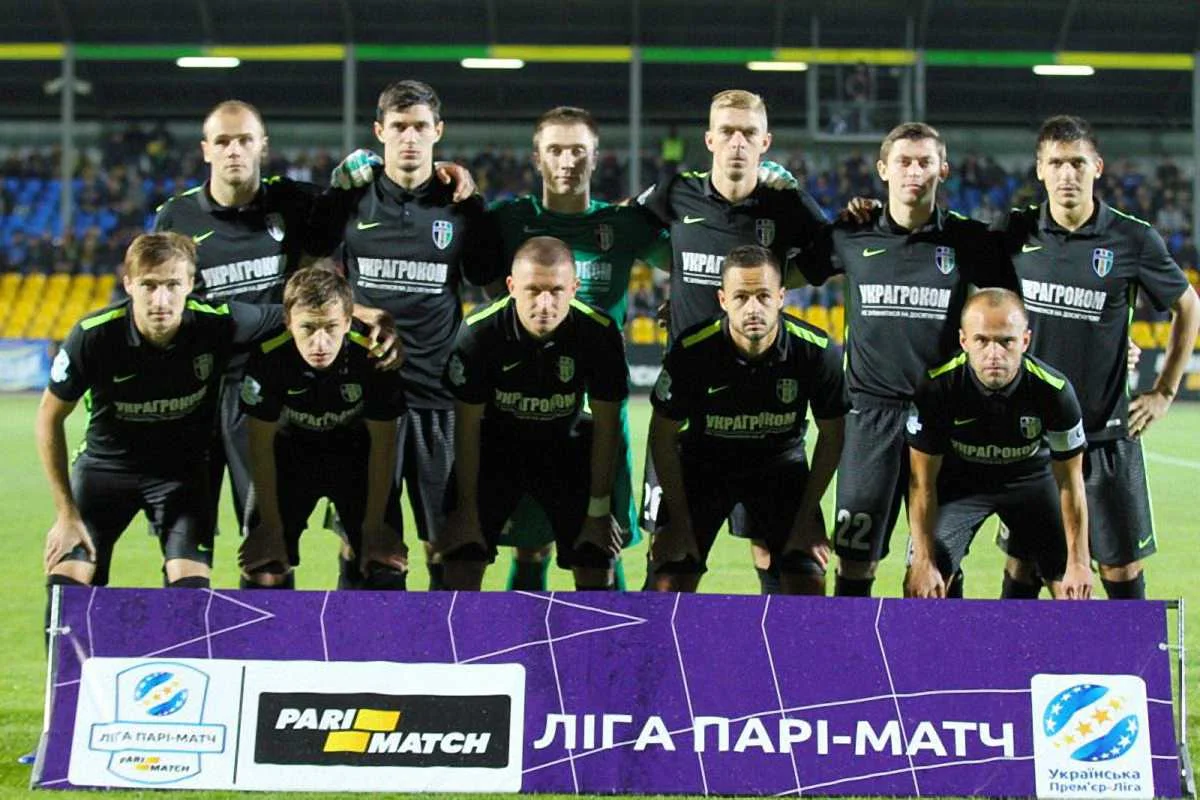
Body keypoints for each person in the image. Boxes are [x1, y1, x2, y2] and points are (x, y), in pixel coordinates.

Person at [153, 100, 405, 551]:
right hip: (209, 393)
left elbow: (363, 198)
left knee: (290, 540)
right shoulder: (176, 217)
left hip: (283, 387)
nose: (234, 150)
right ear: (206, 150)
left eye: (244, 140)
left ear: (262, 146)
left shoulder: (291, 200)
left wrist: (440, 171)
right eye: (223, 141)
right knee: (208, 541)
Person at [799, 122, 1017, 597]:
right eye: (903, 162)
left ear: (943, 169)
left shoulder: (969, 240)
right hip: (869, 419)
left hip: (943, 418)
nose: (914, 172)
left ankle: (936, 649)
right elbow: (782, 274)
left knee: (939, 563)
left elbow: (1024, 301)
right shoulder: (851, 233)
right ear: (883, 169)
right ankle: (854, 647)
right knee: (855, 562)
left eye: (924, 162)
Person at [994, 115, 1200, 599]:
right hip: (1032, 438)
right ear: (1040, 169)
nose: (1067, 174)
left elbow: (1188, 306)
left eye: (1077, 163)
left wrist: (1164, 391)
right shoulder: (1014, 233)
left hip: (1106, 437)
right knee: (1024, 566)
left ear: (1098, 168)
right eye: (1056, 164)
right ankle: (1013, 655)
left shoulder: (1132, 239)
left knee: (1120, 570)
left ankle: (1131, 654)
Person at [635, 89, 832, 594]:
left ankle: (775, 643)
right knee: (669, 558)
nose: (737, 143)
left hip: (764, 412)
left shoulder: (785, 204)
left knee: (774, 550)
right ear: (709, 140)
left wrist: (778, 275)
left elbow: (833, 252)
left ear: (765, 142)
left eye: (748, 133)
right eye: (727, 132)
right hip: (689, 413)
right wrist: (679, 278)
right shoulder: (677, 192)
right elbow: (623, 228)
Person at [309, 80, 495, 591]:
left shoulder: (462, 205)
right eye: (398, 127)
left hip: (438, 399)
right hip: (362, 397)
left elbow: (491, 288)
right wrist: (358, 312)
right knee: (366, 546)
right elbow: (308, 278)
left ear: (438, 131)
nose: (409, 138)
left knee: (452, 552)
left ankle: (446, 645)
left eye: (419, 127)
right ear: (379, 132)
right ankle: (356, 641)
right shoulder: (349, 198)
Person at [38, 232, 282, 596]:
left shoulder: (218, 322)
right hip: (105, 470)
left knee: (189, 593)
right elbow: (48, 417)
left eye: (172, 285)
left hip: (181, 477)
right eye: (149, 286)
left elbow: (299, 313)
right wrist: (66, 515)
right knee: (67, 588)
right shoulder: (94, 336)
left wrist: (362, 316)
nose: (161, 300)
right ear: (128, 284)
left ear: (190, 285)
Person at [486, 106, 669, 591]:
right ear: (537, 158)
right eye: (555, 150)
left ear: (596, 157)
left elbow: (694, 260)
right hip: (527, 412)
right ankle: (526, 639)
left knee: (602, 547)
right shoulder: (509, 220)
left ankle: (612, 641)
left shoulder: (621, 224)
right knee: (530, 547)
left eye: (578, 151)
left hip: (599, 411)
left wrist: (686, 303)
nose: (567, 161)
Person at [648, 245, 847, 593]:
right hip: (704, 465)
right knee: (668, 578)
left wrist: (807, 517)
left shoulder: (816, 351)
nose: (753, 308)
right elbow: (662, 434)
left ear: (781, 297)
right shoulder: (692, 351)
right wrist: (677, 521)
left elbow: (833, 436)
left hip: (780, 467)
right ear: (723, 300)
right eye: (741, 297)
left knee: (807, 580)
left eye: (763, 296)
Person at [440, 237, 628, 590]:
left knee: (595, 557)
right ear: (512, 287)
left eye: (556, 291)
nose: (545, 304)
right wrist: (466, 510)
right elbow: (466, 427)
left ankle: (594, 628)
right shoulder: (480, 331)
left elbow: (607, 425)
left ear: (574, 288)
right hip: (496, 452)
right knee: (461, 555)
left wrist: (599, 510)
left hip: (566, 451)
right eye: (533, 291)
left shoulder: (599, 332)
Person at [905, 289, 1091, 600]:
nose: (994, 353)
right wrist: (923, 560)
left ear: (1025, 341)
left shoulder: (1054, 391)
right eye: (982, 340)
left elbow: (1071, 482)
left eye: (1006, 341)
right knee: (922, 586)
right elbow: (921, 482)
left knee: (1073, 592)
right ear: (964, 341)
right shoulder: (937, 387)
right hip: (961, 486)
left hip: (1031, 481)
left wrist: (1079, 563)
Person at [239, 266, 408, 590]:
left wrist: (375, 525)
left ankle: (355, 595)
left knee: (384, 566)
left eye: (331, 327)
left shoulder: (374, 354)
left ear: (347, 321)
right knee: (264, 567)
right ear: (288, 322)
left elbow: (384, 444)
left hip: (356, 458)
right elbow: (260, 445)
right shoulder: (268, 356)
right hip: (290, 457)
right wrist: (270, 526)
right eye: (308, 327)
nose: (320, 342)